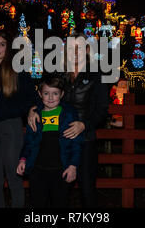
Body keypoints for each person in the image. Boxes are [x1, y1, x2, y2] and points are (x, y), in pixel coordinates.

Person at [28, 32, 109, 207]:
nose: (76, 51)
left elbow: (102, 109)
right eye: (72, 47)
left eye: (80, 47)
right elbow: (43, 94)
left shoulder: (97, 73)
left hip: (85, 139)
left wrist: (84, 125)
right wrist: (33, 109)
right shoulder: (58, 72)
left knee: (87, 188)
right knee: (58, 189)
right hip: (59, 139)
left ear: (87, 49)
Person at [0, 29, 38, 207]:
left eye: (2, 44)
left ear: (9, 47)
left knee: (14, 176)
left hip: (10, 126)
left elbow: (32, 99)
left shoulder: (17, 70)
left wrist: (28, 110)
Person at [17, 75, 84, 207]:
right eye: (46, 93)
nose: (51, 97)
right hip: (38, 170)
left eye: (55, 93)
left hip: (61, 170)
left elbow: (76, 144)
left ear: (62, 94)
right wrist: (23, 159)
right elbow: (29, 141)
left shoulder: (69, 114)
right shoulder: (36, 115)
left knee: (60, 202)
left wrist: (73, 166)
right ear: (40, 94)